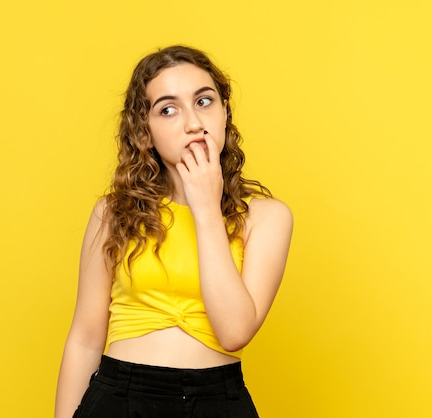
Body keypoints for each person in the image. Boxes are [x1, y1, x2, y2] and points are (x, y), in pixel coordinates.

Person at [55, 45, 293, 418]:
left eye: (204, 101)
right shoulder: (114, 213)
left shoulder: (266, 217)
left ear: (225, 111)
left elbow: (234, 332)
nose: (193, 123)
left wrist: (205, 206)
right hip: (120, 399)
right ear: (144, 131)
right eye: (168, 109)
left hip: (217, 402)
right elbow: (85, 340)